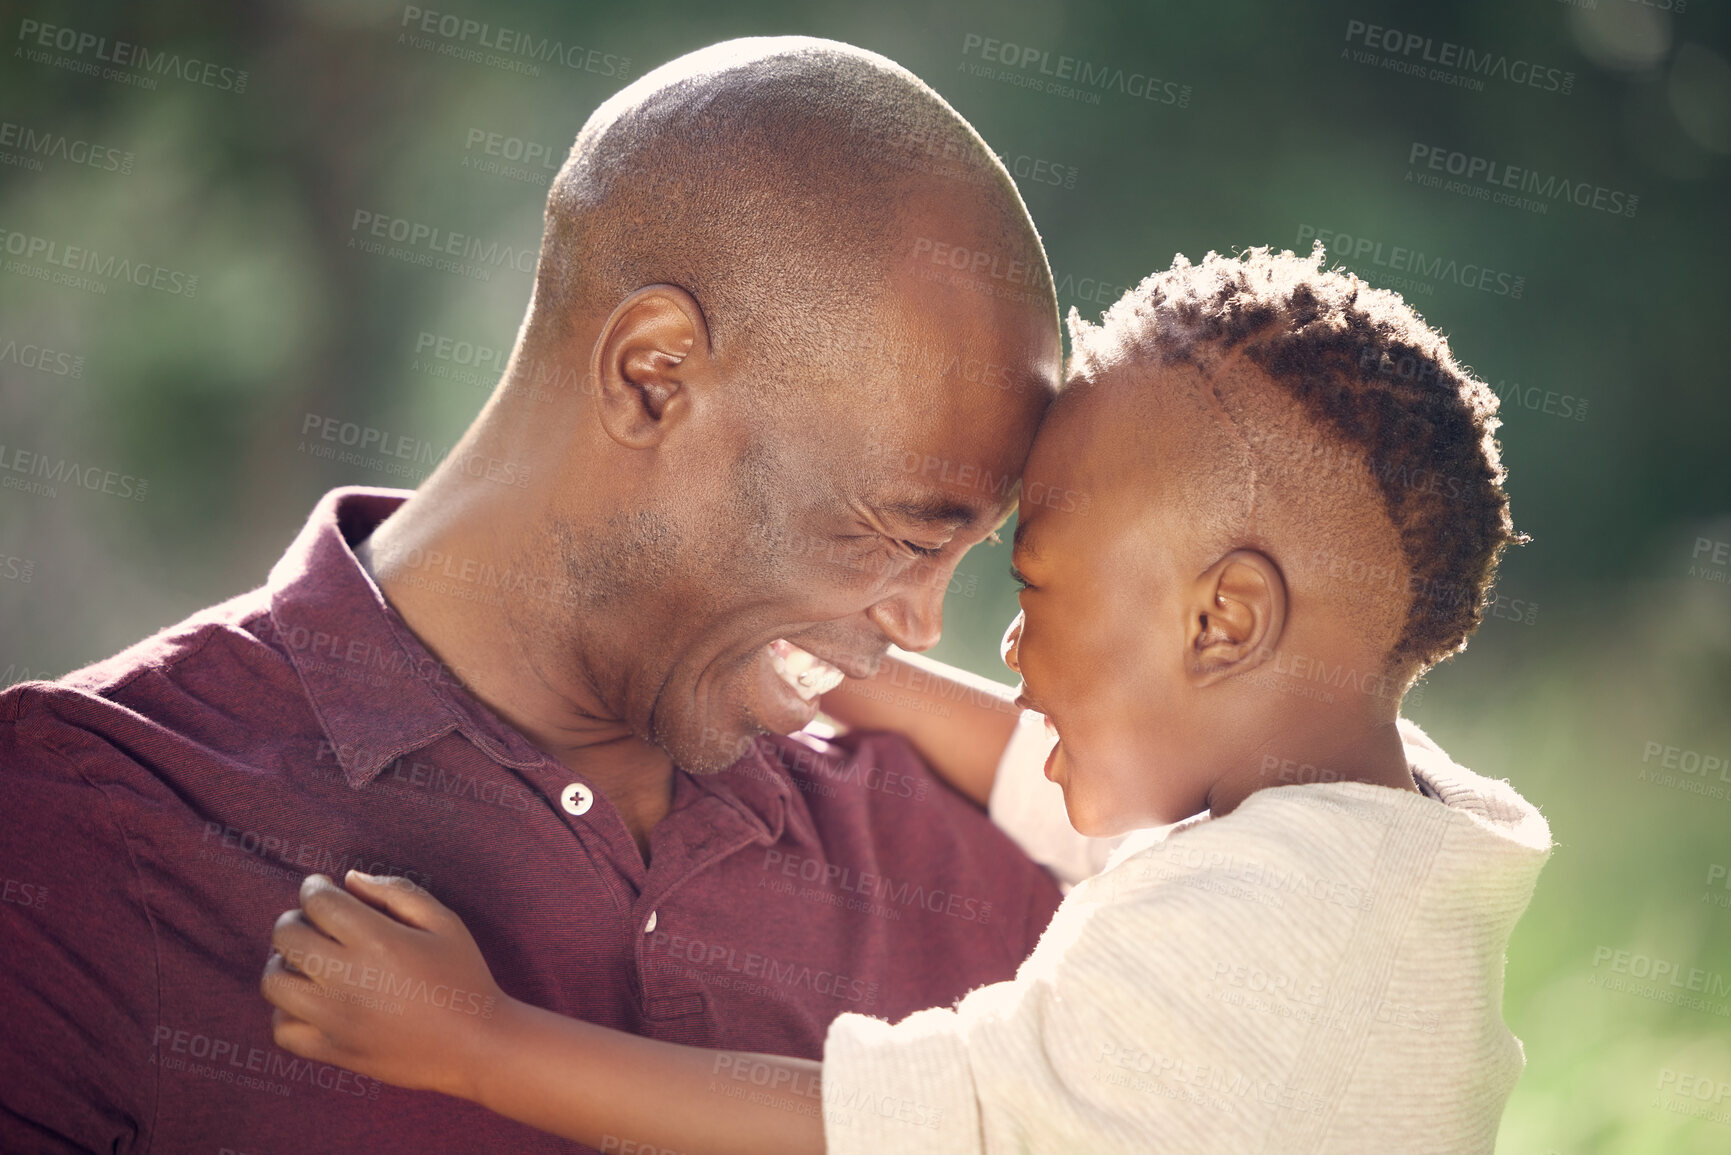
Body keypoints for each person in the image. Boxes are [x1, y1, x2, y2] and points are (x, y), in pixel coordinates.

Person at [0, 38, 1074, 1154]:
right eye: (898, 535)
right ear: (652, 377)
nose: (922, 625)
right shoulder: (79, 833)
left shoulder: (983, 883)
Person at [260, 247, 1554, 1155]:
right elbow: (1072, 790)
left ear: (1221, 620)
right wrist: (858, 682)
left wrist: (476, 1040)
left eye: (1035, 591)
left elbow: (864, 1119)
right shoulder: (1362, 837)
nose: (1007, 648)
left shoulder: (1259, 937)